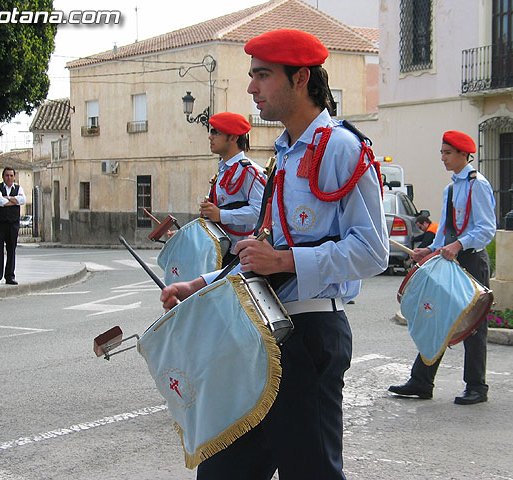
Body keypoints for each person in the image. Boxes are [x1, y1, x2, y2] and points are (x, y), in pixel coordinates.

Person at [160, 29, 388, 479]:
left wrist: (285, 262)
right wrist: (198, 285)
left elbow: (373, 251)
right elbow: (260, 250)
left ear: (300, 78)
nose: (251, 88)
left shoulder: (341, 147)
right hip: (258, 333)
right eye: (252, 76)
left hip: (309, 332)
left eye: (262, 76)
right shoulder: (282, 154)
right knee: (223, 470)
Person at [388, 131, 496, 405]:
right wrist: (431, 249)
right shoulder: (451, 188)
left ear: (463, 154)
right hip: (451, 258)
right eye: (442, 153)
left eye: (448, 153)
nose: (443, 158)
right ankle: (421, 382)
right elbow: (445, 231)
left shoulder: (477, 184)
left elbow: (486, 229)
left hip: (471, 260)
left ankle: (476, 386)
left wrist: (458, 245)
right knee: (437, 318)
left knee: (473, 326)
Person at [199, 112, 266, 264]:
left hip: (240, 254)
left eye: (216, 132)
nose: (211, 137)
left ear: (234, 138)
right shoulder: (224, 171)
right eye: (211, 132)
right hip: (221, 250)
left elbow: (260, 212)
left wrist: (221, 215)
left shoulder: (249, 171)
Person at [0, 167, 25, 285]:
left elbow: (23, 199)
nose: (9, 178)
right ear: (3, 177)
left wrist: (8, 198)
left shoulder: (19, 188)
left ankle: (10, 276)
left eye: (11, 175)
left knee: (11, 250)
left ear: (14, 177)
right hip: (0, 223)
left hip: (13, 224)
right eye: (7, 175)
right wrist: (14, 201)